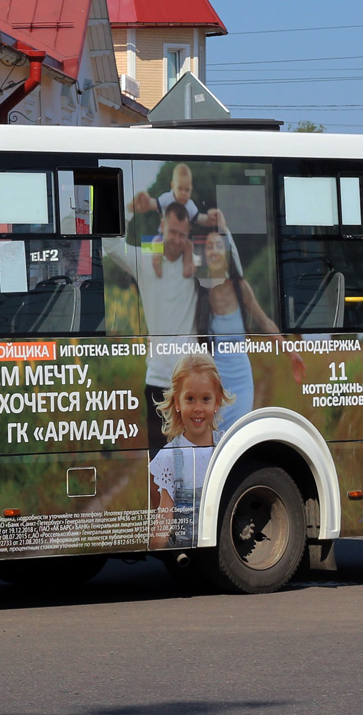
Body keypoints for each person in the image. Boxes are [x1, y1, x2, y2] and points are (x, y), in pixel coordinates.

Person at [198, 229, 306, 432]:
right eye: (209, 246)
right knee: (214, 439)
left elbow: (265, 323)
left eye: (219, 246)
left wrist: (290, 352)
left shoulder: (240, 287)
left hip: (241, 379)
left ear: (227, 253)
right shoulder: (200, 293)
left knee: (238, 435)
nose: (214, 251)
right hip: (212, 383)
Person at [130, 201, 202, 456]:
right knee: (159, 460)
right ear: (162, 227)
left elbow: (224, 261)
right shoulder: (147, 259)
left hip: (190, 384)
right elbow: (111, 246)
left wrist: (192, 246)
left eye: (183, 235)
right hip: (157, 380)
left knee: (192, 459)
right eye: (172, 232)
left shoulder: (195, 262)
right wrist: (131, 209)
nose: (177, 239)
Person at [149, 354, 234, 549]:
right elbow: (165, 513)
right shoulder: (170, 456)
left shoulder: (226, 448)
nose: (198, 408)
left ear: (217, 402)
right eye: (190, 399)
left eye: (205, 399)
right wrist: (155, 550)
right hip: (186, 557)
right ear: (177, 403)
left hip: (221, 557)